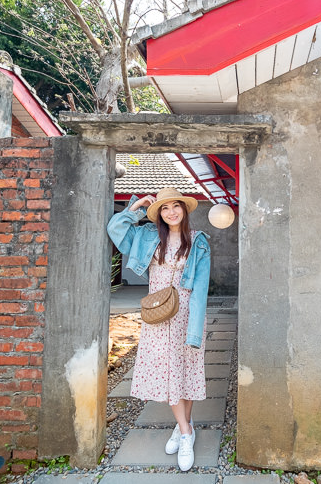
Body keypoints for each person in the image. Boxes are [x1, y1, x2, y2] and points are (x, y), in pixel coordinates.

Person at [107, 187, 211, 472]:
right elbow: (115, 228)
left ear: (185, 210)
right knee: (168, 371)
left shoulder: (199, 242)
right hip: (157, 315)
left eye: (176, 206)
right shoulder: (146, 236)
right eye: (165, 208)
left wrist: (194, 331)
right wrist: (137, 206)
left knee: (186, 371)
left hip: (187, 314)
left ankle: (183, 430)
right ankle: (186, 430)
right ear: (159, 214)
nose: (172, 212)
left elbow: (200, 289)